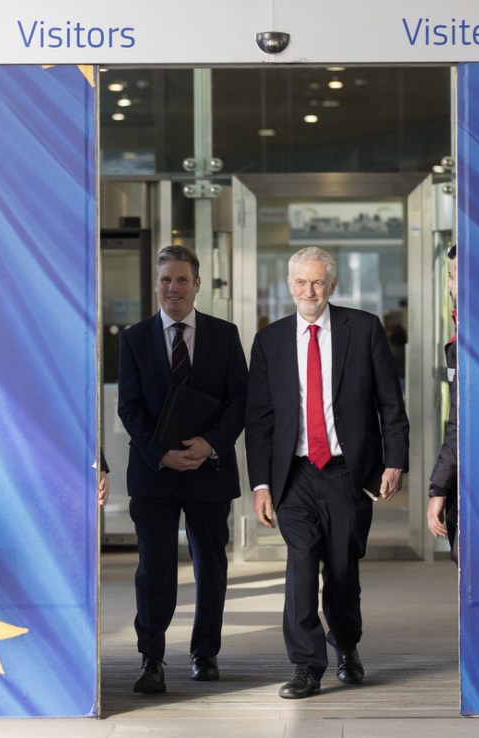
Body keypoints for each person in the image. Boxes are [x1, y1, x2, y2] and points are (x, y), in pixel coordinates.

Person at [245, 245, 410, 699]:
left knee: (341, 571)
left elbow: (389, 404)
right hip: (294, 475)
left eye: (317, 282)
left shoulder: (364, 329)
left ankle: (347, 644)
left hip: (345, 472)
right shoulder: (270, 341)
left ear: (332, 285)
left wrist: (394, 460)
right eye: (300, 282)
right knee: (301, 566)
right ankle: (305, 665)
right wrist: (260, 484)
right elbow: (259, 419)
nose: (309, 290)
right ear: (288, 286)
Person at [116, 244, 249, 694]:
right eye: (165, 279)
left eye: (182, 279)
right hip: (154, 475)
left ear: (197, 284)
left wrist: (211, 443)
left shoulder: (225, 335)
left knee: (210, 565)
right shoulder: (134, 339)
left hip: (209, 471)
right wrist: (161, 454)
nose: (173, 287)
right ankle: (151, 659)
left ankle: (204, 653)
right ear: (156, 285)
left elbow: (240, 400)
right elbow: (129, 409)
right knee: (154, 569)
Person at [427, 244, 459, 563]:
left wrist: (438, 488)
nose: (450, 286)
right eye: (449, 277)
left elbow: (461, 422)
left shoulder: (473, 340)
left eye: (454, 277)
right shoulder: (458, 336)